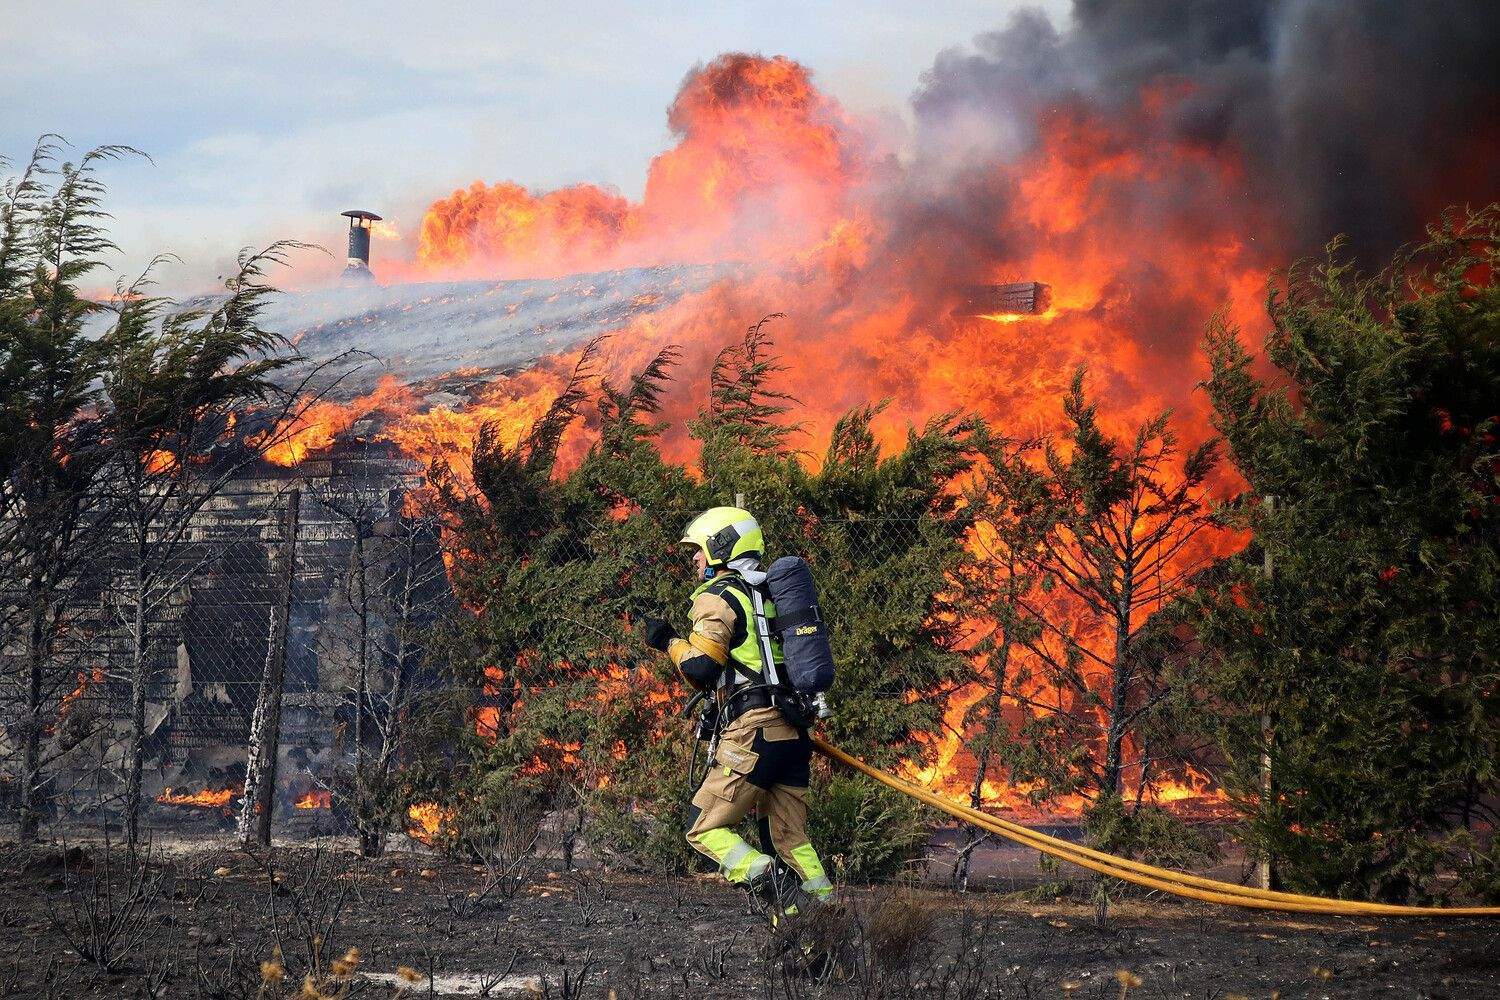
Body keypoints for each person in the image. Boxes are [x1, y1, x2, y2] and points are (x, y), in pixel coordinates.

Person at [642, 506, 832, 920]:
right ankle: (820, 924)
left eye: (699, 548)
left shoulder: (719, 596)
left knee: (703, 827)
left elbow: (702, 667)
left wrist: (667, 640)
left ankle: (775, 883)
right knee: (790, 838)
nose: (695, 558)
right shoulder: (771, 594)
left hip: (754, 732)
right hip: (793, 733)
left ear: (721, 546)